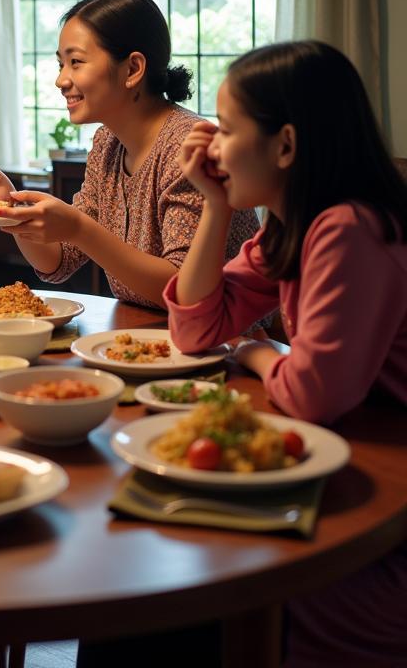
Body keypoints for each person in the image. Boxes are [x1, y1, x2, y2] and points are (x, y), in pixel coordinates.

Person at [158, 40, 407, 668]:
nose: (210, 146)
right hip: (361, 453)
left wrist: (257, 353)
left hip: (389, 499)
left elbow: (313, 394)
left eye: (228, 129)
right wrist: (215, 205)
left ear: (287, 146)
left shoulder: (348, 228)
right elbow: (194, 327)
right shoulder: (294, 225)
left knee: (184, 588)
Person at [0, 0, 259, 309]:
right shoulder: (108, 143)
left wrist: (80, 229)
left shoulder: (188, 147)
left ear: (132, 69)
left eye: (76, 62)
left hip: (224, 343)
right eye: (61, 64)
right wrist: (10, 210)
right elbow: (59, 262)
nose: (61, 80)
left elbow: (184, 287)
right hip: (149, 336)